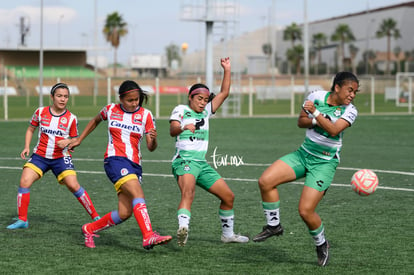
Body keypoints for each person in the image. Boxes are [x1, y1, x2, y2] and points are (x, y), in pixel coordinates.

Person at [252, 72, 360, 267]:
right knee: (265, 181)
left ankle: (321, 244)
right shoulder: (315, 97)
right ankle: (273, 226)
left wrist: (316, 114)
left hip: (324, 163)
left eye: (355, 92)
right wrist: (314, 119)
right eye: (350, 90)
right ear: (337, 87)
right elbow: (301, 121)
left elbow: (334, 130)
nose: (352, 95)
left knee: (305, 210)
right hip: (303, 155)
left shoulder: (351, 110)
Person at [62, 80, 172, 250]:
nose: (134, 103)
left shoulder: (146, 115)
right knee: (137, 193)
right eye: (130, 100)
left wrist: (154, 138)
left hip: (135, 165)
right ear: (121, 98)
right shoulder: (111, 110)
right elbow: (95, 120)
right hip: (115, 160)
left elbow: (151, 147)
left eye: (137, 100)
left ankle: (89, 229)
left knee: (125, 212)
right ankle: (148, 235)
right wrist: (79, 139)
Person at [169, 57, 249, 247]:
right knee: (188, 193)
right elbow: (172, 130)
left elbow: (225, 92)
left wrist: (227, 69)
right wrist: (183, 128)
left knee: (228, 197)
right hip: (184, 161)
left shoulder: (206, 112)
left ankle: (227, 235)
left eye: (205, 100)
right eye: (199, 99)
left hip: (202, 164)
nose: (203, 103)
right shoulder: (180, 110)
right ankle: (183, 229)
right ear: (190, 97)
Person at [7, 83, 100, 230]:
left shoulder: (71, 118)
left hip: (61, 158)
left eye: (65, 96)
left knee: (73, 185)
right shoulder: (40, 112)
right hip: (40, 156)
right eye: (59, 96)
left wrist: (68, 141)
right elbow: (31, 129)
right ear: (52, 97)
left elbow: (76, 140)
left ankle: (95, 217)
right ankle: (22, 220)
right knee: (24, 181)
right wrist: (26, 146)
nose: (63, 99)